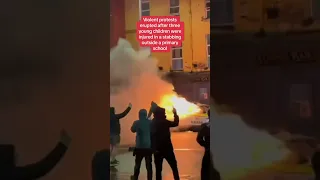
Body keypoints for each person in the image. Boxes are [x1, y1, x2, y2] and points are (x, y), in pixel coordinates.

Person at [0, 129, 71, 180]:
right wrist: (63, 146)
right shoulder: (9, 174)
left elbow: (41, 168)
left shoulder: (9, 173)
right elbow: (41, 168)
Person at [151, 106, 180, 180]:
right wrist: (175, 114)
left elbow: (152, 136)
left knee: (158, 170)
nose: (165, 114)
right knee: (174, 167)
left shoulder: (153, 122)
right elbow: (176, 123)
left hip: (157, 150)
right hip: (167, 149)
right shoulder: (165, 122)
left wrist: (154, 148)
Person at [197, 110, 220, 180]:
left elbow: (199, 139)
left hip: (208, 151)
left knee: (205, 170)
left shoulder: (205, 126)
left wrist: (206, 146)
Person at [130, 109, 153, 180]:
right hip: (148, 147)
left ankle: (135, 177)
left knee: (137, 164)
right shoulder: (150, 122)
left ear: (139, 115)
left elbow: (132, 130)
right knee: (149, 165)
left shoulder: (136, 122)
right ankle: (149, 178)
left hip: (139, 147)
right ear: (146, 115)